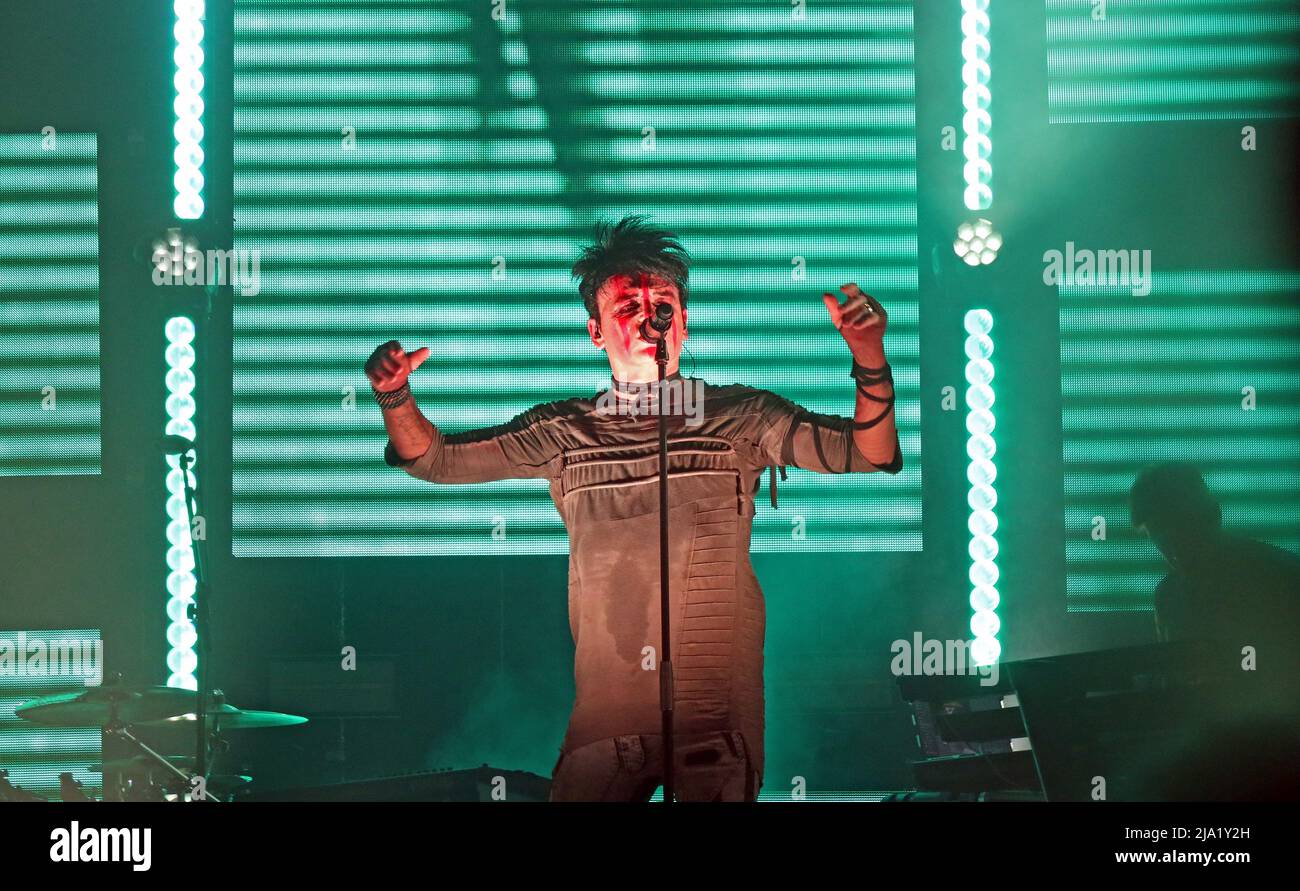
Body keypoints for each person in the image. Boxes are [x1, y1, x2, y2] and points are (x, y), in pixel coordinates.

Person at [364, 214, 903, 801]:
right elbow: (436, 459)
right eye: (628, 306)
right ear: (595, 331)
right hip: (605, 720)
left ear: (685, 320)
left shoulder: (742, 416)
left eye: (664, 302)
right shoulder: (563, 430)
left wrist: (868, 357)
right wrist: (394, 395)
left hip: (712, 716)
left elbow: (868, 453)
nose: (651, 315)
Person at [1129, 461, 1300, 647]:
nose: (1171, 544)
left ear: (1211, 516)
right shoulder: (1169, 596)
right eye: (1158, 530)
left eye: (1179, 525)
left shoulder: (1283, 576)